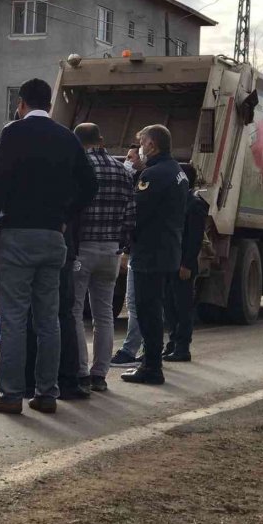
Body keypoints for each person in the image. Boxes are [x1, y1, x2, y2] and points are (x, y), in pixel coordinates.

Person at [0, 78, 97, 415]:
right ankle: (47, 393)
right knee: (49, 319)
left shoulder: (14, 133)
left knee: (14, 318)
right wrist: (64, 215)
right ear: (50, 102)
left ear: (21, 103)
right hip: (53, 238)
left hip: (16, 234)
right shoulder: (67, 137)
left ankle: (12, 394)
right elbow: (89, 185)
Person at [69, 123, 135, 393]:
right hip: (110, 251)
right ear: (102, 139)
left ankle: (80, 371)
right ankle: (100, 374)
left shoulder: (79, 167)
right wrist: (121, 246)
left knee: (74, 311)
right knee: (104, 314)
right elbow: (131, 217)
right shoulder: (123, 170)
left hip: (82, 249)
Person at [121, 125, 188, 386]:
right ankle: (152, 363)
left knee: (147, 310)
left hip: (150, 253)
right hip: (168, 250)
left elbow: (138, 213)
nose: (140, 148)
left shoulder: (154, 174)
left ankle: (151, 366)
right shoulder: (177, 171)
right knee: (155, 308)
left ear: (152, 146)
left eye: (142, 143)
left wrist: (126, 240)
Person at [24, 224, 89, 401]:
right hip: (61, 242)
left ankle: (29, 383)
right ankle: (66, 382)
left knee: (33, 313)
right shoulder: (70, 198)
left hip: (32, 240)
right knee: (62, 315)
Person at [162, 162, 208, 362]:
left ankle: (183, 347)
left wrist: (187, 264)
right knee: (169, 305)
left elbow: (194, 238)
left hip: (183, 264)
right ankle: (172, 342)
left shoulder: (195, 203)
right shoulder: (177, 199)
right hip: (169, 261)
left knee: (183, 306)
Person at [111, 144, 147, 368]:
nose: (128, 160)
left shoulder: (145, 180)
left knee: (135, 302)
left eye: (130, 157)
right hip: (148, 250)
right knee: (145, 302)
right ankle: (148, 348)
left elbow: (134, 218)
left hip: (141, 251)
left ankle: (130, 350)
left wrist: (126, 249)